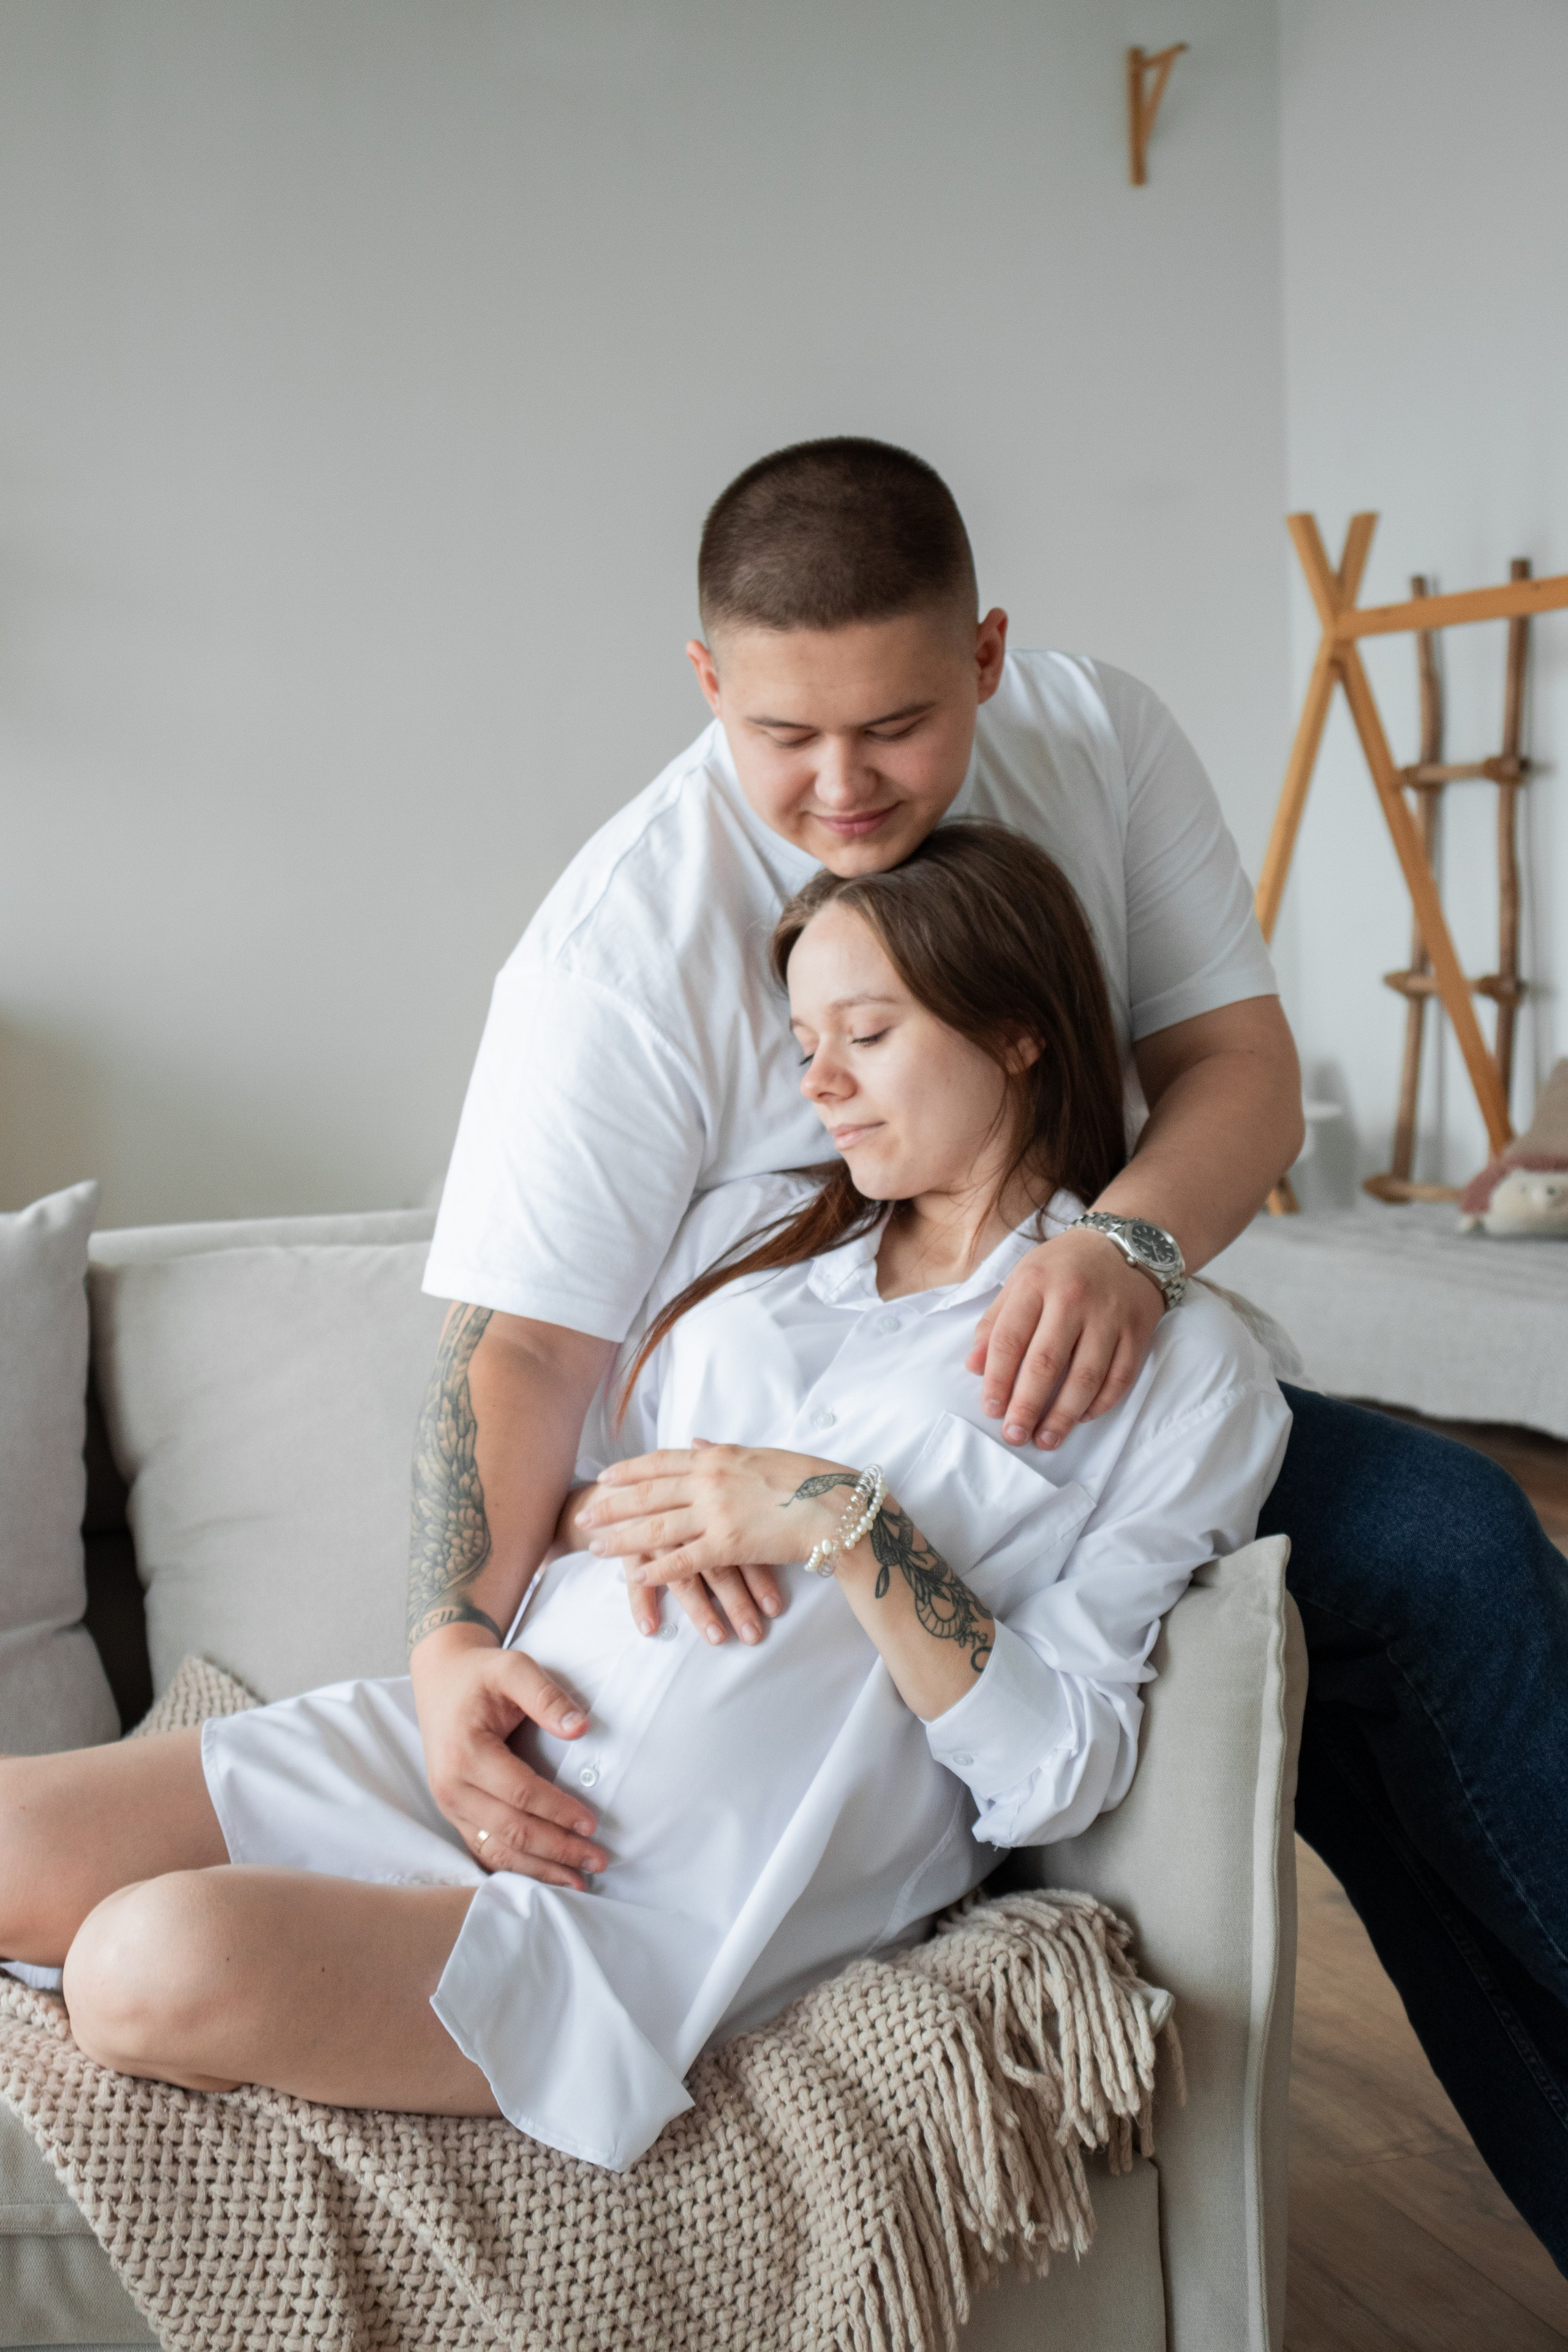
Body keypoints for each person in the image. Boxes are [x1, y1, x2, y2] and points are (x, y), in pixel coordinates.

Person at [407, 439, 1568, 2264]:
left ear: (990, 657)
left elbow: (1237, 1074)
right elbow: (525, 1348)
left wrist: (1122, 1243)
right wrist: (452, 1629)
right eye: (785, 735)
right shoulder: (613, 956)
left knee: (1445, 1550)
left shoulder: (1103, 737)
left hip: (1103, 1414)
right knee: (1365, 1711)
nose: (843, 786)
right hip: (869, 1534)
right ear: (708, 683)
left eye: (898, 724)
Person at [0, 830, 1288, 2169]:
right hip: (461, 1770)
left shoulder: (1181, 1368)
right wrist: (652, 1517)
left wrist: (847, 1527)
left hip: (643, 1912)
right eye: (803, 1045)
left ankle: (319, 1969)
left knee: (140, 1964)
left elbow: (1056, 1774)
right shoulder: (750, 1240)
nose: (823, 1088)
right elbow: (567, 1485)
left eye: (867, 1034)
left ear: (1018, 1031)